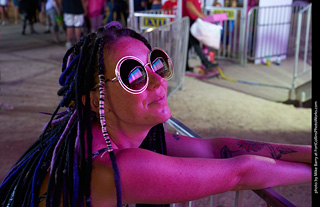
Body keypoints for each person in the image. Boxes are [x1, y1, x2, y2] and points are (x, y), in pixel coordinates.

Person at [0, 22, 311, 207]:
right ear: (95, 100)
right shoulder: (114, 167)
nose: (159, 80)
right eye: (133, 75)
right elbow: (239, 172)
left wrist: (308, 153)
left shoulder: (98, 130)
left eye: (155, 63)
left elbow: (214, 149)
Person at [182, 0, 218, 72]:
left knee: (188, 45)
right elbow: (189, 4)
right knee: (195, 43)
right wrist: (200, 15)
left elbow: (197, 7)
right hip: (188, 20)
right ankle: (206, 62)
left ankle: (185, 66)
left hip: (194, 20)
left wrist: (202, 15)